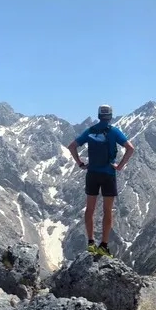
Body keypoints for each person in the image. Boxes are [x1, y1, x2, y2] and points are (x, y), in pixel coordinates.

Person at [67, 104, 134, 257]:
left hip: (92, 174)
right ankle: (103, 245)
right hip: (108, 174)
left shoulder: (90, 131)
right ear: (110, 116)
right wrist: (119, 166)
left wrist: (80, 163)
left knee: (90, 209)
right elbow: (130, 148)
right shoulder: (114, 131)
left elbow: (71, 146)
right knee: (107, 211)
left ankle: (91, 243)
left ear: (98, 115)